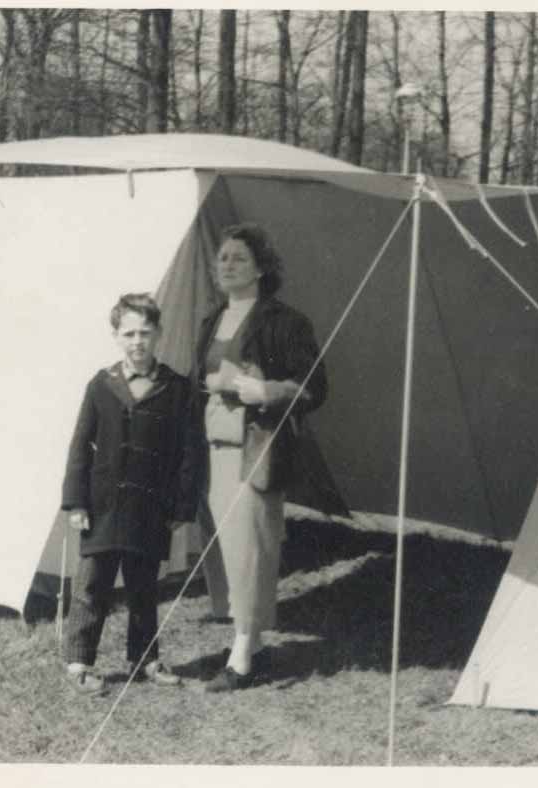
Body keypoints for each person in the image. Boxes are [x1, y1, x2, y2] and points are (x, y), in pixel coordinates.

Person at [195, 224, 331, 692]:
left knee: (252, 549)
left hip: (255, 449)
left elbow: (314, 387)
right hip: (213, 447)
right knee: (228, 550)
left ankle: (240, 659)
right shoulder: (211, 320)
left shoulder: (285, 322)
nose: (225, 265)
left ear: (261, 268)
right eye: (222, 258)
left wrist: (266, 390)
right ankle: (248, 638)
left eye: (237, 258)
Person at [60, 293, 199, 695]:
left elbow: (190, 451)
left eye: (145, 332)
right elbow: (79, 446)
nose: (138, 341)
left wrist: (181, 504)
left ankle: (145, 659)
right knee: (91, 586)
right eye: (129, 333)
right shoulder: (101, 385)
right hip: (102, 506)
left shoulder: (175, 388)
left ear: (158, 334)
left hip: (149, 507)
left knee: (143, 589)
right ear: (116, 336)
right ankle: (79, 662)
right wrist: (76, 502)